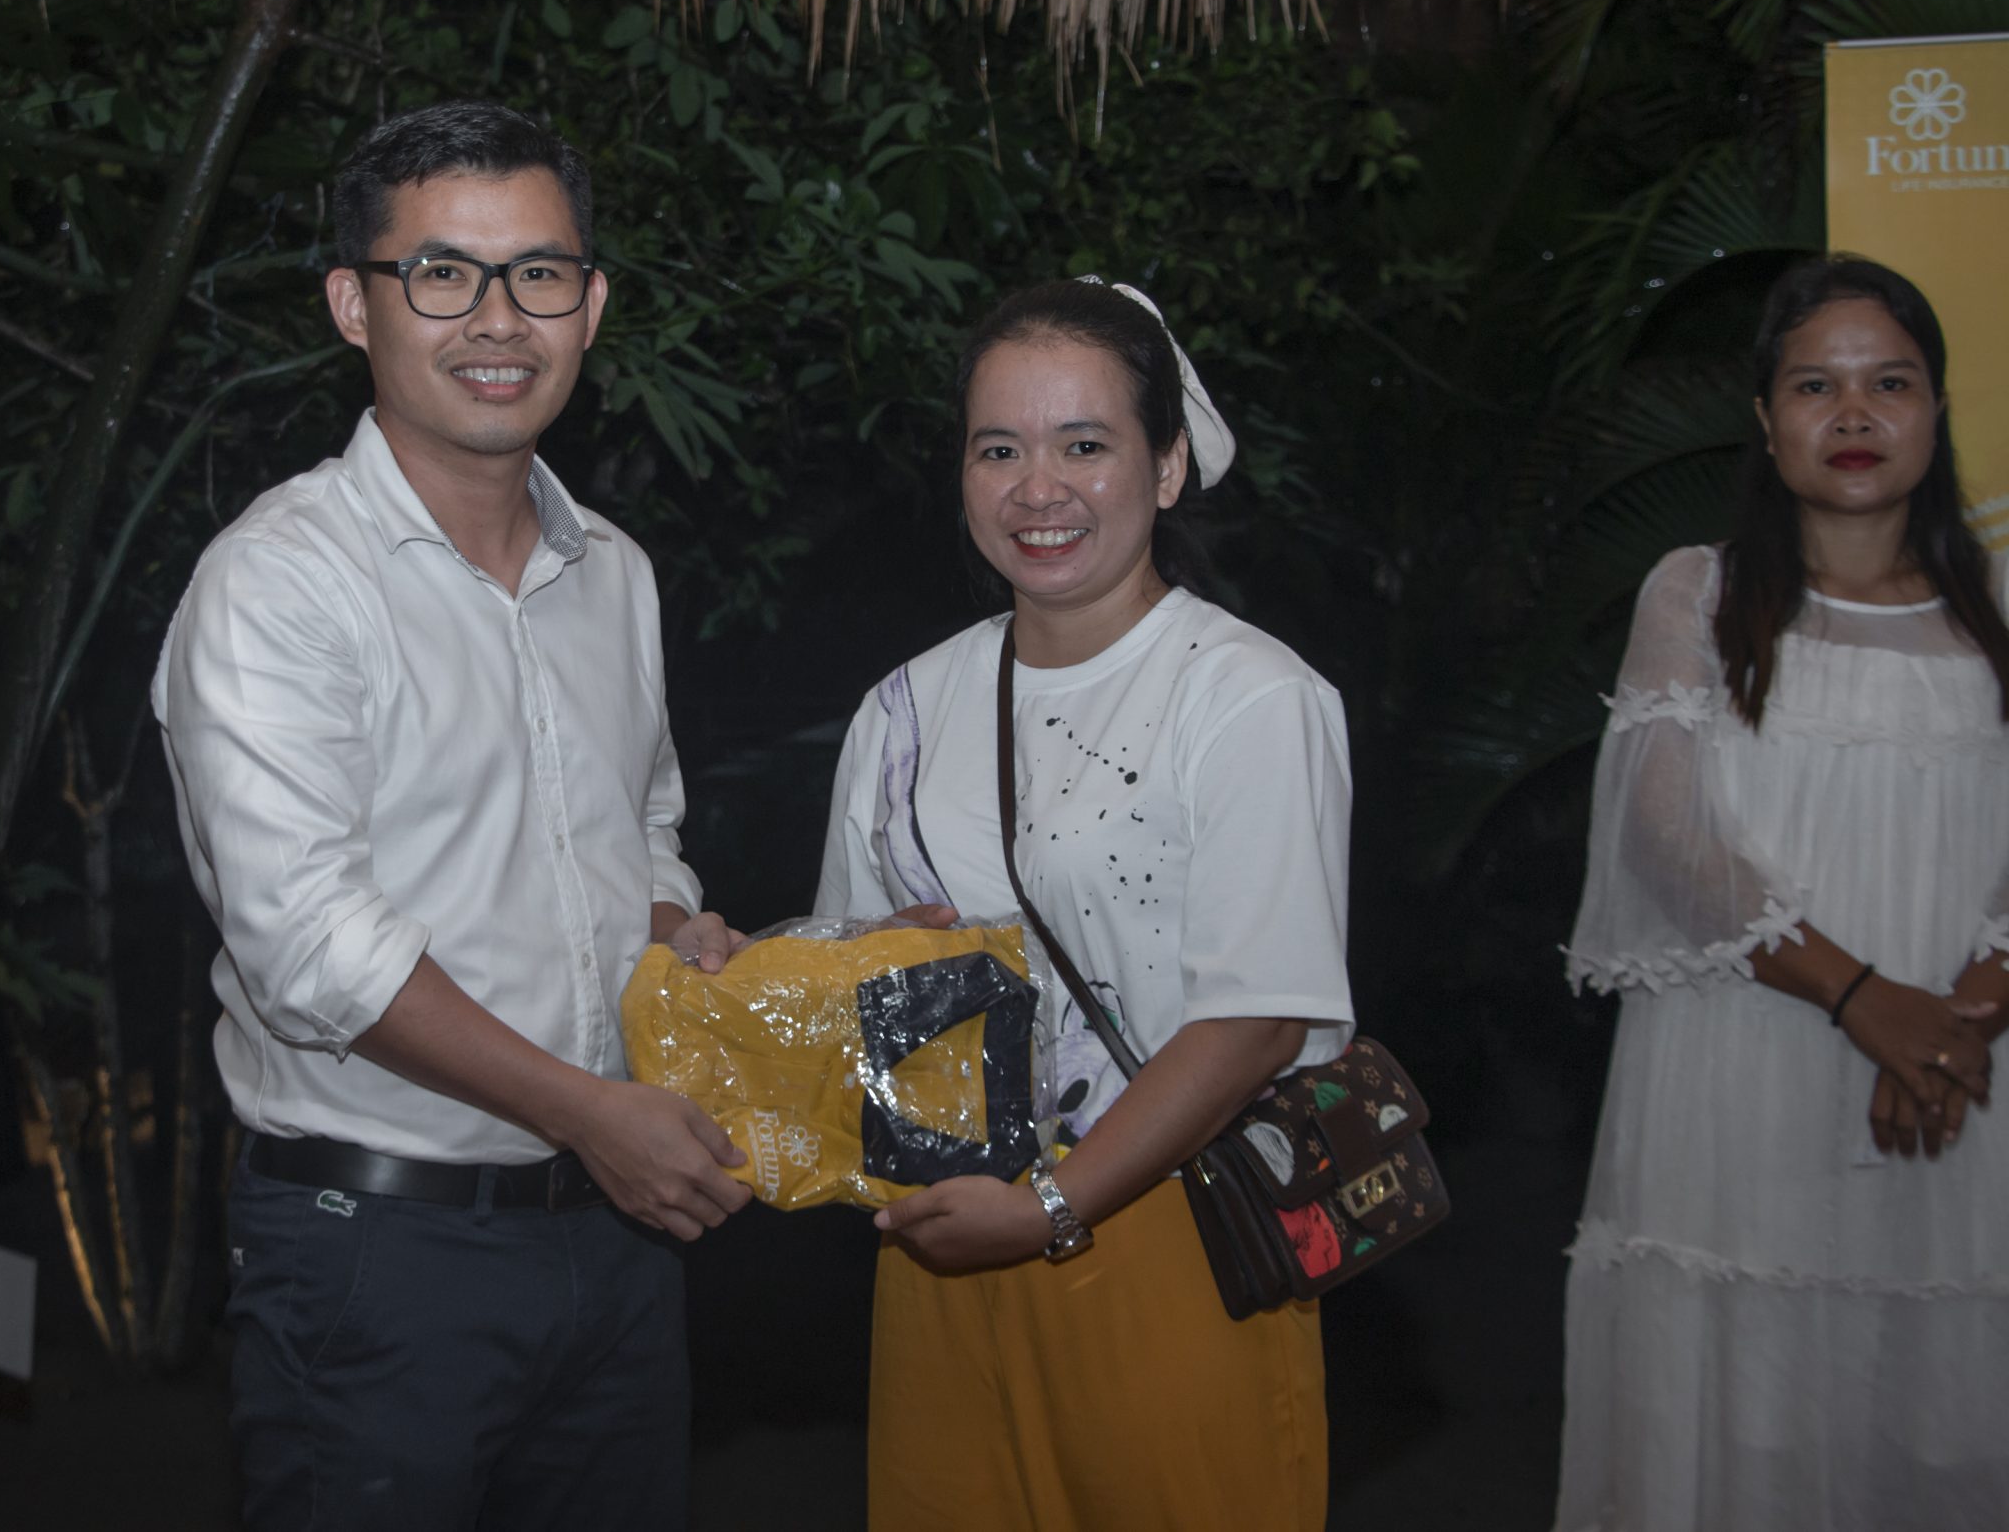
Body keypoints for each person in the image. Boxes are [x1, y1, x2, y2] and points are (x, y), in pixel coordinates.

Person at [152, 101, 753, 1532]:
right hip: (379, 1256)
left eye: (538, 273)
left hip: (616, 1240)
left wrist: (672, 932)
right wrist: (589, 1111)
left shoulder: (615, 572)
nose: (497, 319)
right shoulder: (280, 580)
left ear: (590, 305)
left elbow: (640, 828)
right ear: (352, 304)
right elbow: (311, 946)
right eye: (441, 273)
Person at [813, 278, 1356, 1531]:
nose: (1036, 489)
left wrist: (1048, 1206)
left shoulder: (1246, 698)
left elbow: (1257, 1017)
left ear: (1166, 467)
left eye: (1084, 445)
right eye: (998, 449)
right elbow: (846, 980)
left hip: (1169, 1229)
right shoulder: (905, 709)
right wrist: (764, 975)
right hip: (946, 1239)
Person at [1555, 255, 2009, 1532]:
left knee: (1944, 1419)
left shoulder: (1999, 605)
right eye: (1816, 385)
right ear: (1765, 419)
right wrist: (1864, 1000)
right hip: (1743, 1064)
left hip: (1962, 1079)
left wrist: (1952, 1024)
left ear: (1935, 409)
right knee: (1750, 1413)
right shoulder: (1696, 592)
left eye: (1888, 384)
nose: (1853, 414)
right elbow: (1667, 838)